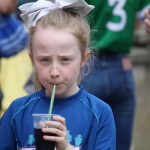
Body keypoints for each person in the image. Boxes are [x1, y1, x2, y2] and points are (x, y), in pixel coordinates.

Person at [0, 0, 116, 150]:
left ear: (83, 59)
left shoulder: (100, 113)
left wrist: (67, 148)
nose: (54, 72)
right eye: (45, 60)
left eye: (65, 60)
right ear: (32, 60)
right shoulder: (17, 111)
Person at [80, 0, 150, 150]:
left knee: (83, 141)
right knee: (121, 144)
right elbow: (138, 22)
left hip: (90, 63)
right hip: (122, 67)